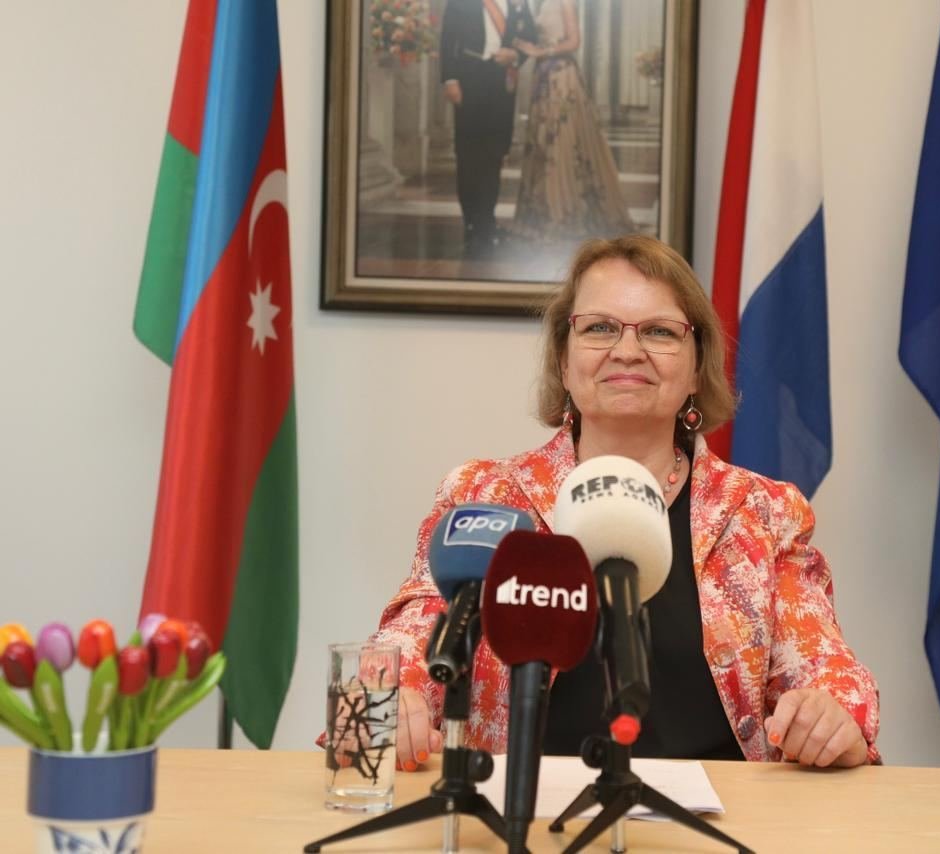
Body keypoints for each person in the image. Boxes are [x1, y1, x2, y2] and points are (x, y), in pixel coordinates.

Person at [377, 235, 880, 773]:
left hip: (721, 812)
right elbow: (409, 645)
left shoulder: (764, 512)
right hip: (524, 810)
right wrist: (393, 700)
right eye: (599, 328)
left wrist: (830, 715)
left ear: (696, 368)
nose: (627, 350)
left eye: (659, 331)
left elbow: (827, 671)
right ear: (564, 362)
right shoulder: (485, 495)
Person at [507, 0, 634, 242]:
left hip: (561, 79)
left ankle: (563, 213)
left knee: (560, 142)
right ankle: (545, 212)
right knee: (543, 144)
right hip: (544, 78)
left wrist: (541, 52)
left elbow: (574, 41)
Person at [438, 0, 537, 257]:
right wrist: (450, 79)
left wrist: (515, 56)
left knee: (495, 153)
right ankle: (473, 221)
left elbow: (531, 37)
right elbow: (447, 40)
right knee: (468, 153)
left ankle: (487, 220)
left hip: (501, 81)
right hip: (469, 78)